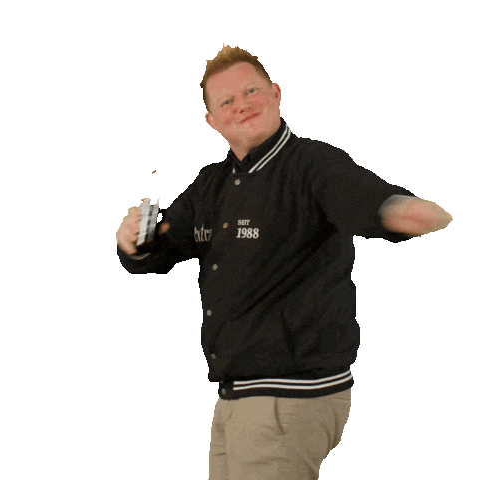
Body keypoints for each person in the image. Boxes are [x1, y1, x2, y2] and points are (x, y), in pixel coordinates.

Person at [116, 46, 453, 480]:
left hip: (289, 399)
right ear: (212, 121)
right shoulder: (211, 185)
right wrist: (133, 244)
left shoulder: (312, 164)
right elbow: (163, 248)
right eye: (227, 101)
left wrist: (396, 210)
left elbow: (360, 197)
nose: (242, 105)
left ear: (276, 94)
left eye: (250, 91)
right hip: (234, 398)